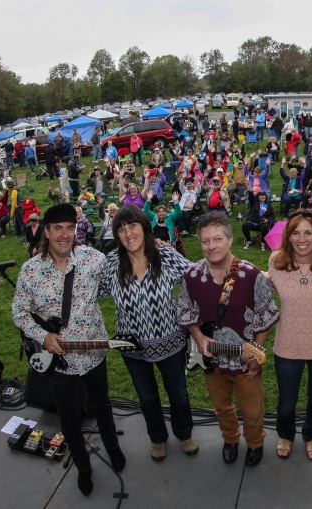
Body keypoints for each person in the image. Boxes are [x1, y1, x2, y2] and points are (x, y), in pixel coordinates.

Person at [12, 204, 125, 496]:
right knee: (69, 417)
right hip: (59, 362)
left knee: (102, 405)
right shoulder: (30, 271)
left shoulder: (93, 259)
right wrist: (43, 336)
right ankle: (83, 467)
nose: (65, 235)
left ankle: (113, 447)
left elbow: (123, 270)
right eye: (58, 229)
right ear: (47, 232)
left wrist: (154, 246)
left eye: (70, 228)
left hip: (93, 353)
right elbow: (19, 313)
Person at [177, 212, 279, 467]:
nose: (211, 246)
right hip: (211, 358)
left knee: (252, 409)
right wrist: (198, 336)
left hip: (245, 360)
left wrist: (257, 353)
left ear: (230, 240)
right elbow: (186, 311)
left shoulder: (251, 274)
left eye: (218, 239)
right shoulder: (191, 276)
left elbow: (265, 316)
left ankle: (254, 443)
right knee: (221, 406)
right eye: (205, 241)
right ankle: (230, 439)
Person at [98, 205, 198, 462]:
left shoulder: (165, 255)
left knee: (179, 394)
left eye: (132, 225)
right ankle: (157, 437)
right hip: (131, 345)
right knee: (147, 397)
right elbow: (92, 292)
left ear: (145, 227)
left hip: (170, 342)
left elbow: (198, 277)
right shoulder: (112, 263)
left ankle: (184, 433)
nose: (127, 233)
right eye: (121, 229)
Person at [267, 211, 312, 461]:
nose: (302, 239)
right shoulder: (276, 260)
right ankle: (285, 434)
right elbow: (270, 287)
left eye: (308, 232)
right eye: (296, 233)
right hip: (288, 343)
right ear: (288, 236)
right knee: (287, 401)